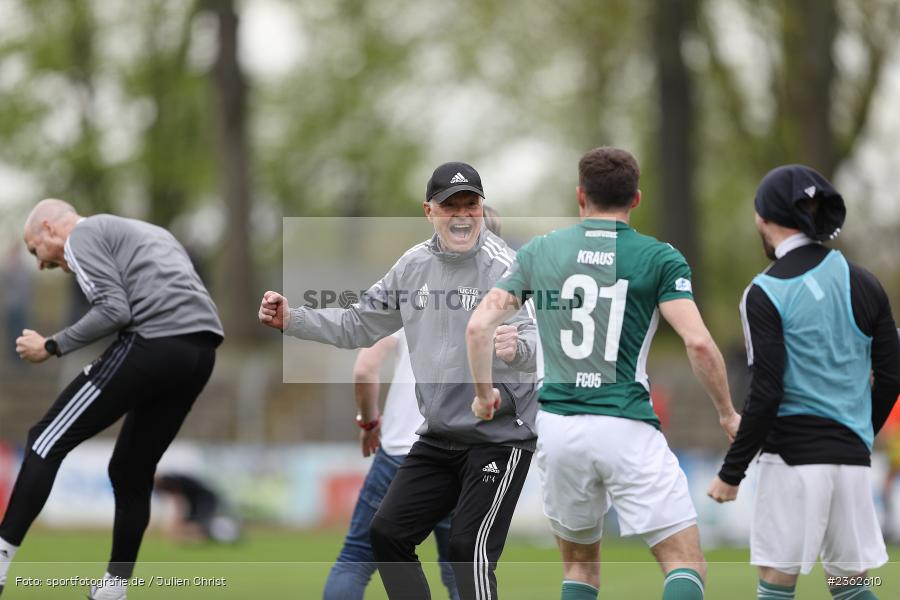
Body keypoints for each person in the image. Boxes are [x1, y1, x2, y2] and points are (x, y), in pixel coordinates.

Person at [465, 146, 739, 600]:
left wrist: (482, 395)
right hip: (625, 423)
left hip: (557, 427)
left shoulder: (540, 251)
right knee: (684, 563)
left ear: (580, 196)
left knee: (579, 570)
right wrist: (728, 413)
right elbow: (698, 342)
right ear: (636, 199)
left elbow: (478, 326)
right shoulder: (659, 258)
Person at [259, 162, 539, 600]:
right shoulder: (412, 266)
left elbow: (536, 349)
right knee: (387, 533)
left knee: (467, 551)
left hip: (498, 437)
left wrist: (515, 351)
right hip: (439, 436)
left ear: (482, 208)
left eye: (471, 204)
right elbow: (358, 324)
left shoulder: (507, 267)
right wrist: (293, 319)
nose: (462, 216)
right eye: (451, 207)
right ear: (429, 211)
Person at [0, 199, 223, 600]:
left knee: (44, 439)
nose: (40, 264)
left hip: (155, 340)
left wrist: (52, 345)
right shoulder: (150, 233)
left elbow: (114, 309)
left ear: (50, 228)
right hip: (201, 352)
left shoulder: (82, 236)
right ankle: (113, 589)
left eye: (36, 250)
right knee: (130, 471)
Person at [707, 166, 900, 600]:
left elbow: (767, 391)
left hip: (792, 460)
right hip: (851, 461)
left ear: (763, 218)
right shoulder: (865, 282)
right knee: (850, 588)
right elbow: (891, 375)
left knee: (777, 586)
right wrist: (858, 431)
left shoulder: (765, 290)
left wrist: (731, 472)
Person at [323, 206, 504, 600]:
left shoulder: (417, 287)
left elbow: (364, 367)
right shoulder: (502, 304)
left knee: (357, 556)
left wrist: (369, 423)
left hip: (402, 449)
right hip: (465, 451)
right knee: (462, 571)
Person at [154, 473, 241, 544]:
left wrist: (177, 522)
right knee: (193, 521)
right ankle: (208, 537)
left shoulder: (168, 481)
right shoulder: (160, 486)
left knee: (200, 522)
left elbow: (178, 502)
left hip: (204, 498)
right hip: (195, 500)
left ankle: (226, 535)